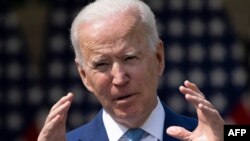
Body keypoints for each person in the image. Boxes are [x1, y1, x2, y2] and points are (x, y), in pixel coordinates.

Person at [37, 0, 224, 140]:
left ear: (158, 58)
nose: (119, 79)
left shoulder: (216, 133)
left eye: (130, 58)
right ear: (84, 75)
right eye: (102, 64)